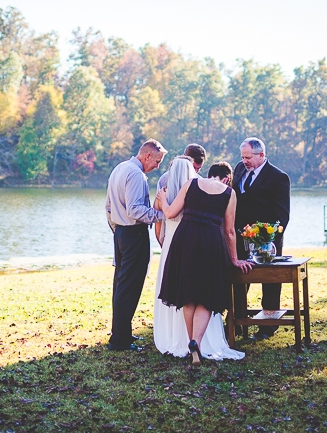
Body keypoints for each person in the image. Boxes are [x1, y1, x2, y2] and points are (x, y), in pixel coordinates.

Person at [156, 170, 253, 365]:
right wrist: (234, 259)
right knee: (207, 296)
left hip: (187, 238)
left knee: (188, 294)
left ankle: (193, 344)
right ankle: (196, 343)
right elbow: (229, 231)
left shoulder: (191, 184)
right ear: (226, 179)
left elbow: (170, 213)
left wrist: (163, 199)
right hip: (211, 241)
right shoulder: (229, 193)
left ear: (208, 175)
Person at [105, 139, 167, 351]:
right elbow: (135, 210)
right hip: (133, 234)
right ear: (147, 155)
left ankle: (122, 333)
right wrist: (164, 215)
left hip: (122, 233)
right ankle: (120, 340)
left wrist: (118, 231)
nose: (157, 166)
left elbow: (109, 207)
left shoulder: (119, 168)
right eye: (157, 161)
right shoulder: (136, 174)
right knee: (129, 287)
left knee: (121, 285)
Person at [231, 138, 291, 340]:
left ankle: (267, 327)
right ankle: (237, 323)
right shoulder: (239, 169)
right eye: (242, 157)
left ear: (261, 155)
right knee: (238, 280)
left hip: (266, 241)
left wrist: (266, 238)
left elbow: (282, 216)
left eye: (248, 157)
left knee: (270, 283)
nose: (244, 161)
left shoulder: (278, 177)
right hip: (239, 238)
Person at [155, 144, 207, 245]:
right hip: (169, 234)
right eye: (194, 168)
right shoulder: (164, 180)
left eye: (198, 169)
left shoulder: (200, 182)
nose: (195, 172)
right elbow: (159, 216)